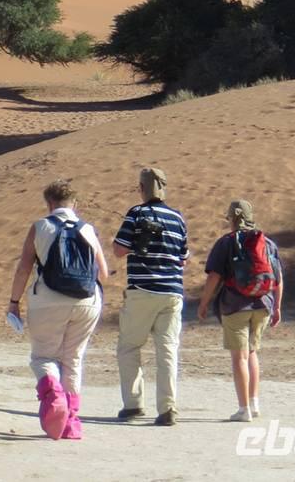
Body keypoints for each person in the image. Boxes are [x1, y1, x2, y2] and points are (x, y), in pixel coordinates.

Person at [8, 181, 110, 440]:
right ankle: (71, 423)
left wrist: (14, 302)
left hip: (47, 300)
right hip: (88, 301)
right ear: (74, 203)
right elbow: (105, 273)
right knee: (73, 358)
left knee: (43, 358)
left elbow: (24, 268)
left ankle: (52, 392)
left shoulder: (40, 227)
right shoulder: (88, 229)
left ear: (49, 204)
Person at [112, 168, 189, 426]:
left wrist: (138, 241)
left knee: (130, 346)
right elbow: (183, 258)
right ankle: (168, 408)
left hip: (142, 291)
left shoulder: (136, 213)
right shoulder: (178, 218)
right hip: (172, 293)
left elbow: (119, 250)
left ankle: (133, 404)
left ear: (142, 189)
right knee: (167, 350)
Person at [198, 200, 283, 422]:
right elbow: (278, 279)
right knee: (252, 352)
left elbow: (214, 276)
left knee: (239, 357)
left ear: (232, 218)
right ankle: (254, 404)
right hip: (263, 304)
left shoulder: (226, 243)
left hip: (235, 306)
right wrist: (277, 307)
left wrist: (204, 303)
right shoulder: (267, 243)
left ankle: (243, 409)